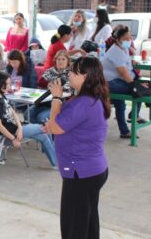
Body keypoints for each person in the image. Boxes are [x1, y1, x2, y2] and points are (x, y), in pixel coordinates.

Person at [44, 56, 109, 239]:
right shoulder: (89, 98)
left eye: (74, 72)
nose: (69, 74)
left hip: (81, 172)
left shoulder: (84, 103)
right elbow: (65, 126)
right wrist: (52, 124)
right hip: (90, 170)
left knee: (74, 227)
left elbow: (57, 127)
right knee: (87, 222)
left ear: (86, 76)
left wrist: (56, 97)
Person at [0, 72, 56, 166]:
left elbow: (13, 113)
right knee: (45, 128)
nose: (10, 86)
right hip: (12, 132)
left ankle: (56, 163)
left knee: (44, 137)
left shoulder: (1, 95)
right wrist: (13, 138)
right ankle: (58, 163)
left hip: (18, 128)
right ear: (1, 85)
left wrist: (20, 127)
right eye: (8, 84)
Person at [102, 26, 144, 138]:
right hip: (111, 83)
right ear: (118, 39)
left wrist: (131, 60)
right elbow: (124, 74)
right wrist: (135, 86)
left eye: (130, 38)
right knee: (139, 90)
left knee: (120, 103)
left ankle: (125, 131)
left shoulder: (122, 48)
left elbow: (123, 60)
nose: (129, 40)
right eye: (126, 38)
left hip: (117, 81)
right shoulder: (115, 51)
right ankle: (133, 116)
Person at [29, 50, 72, 124]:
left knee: (41, 117)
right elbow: (41, 82)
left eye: (63, 59)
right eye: (58, 59)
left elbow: (68, 88)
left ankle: (46, 133)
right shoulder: (51, 70)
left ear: (68, 61)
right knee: (28, 113)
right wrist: (49, 83)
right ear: (55, 61)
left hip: (61, 103)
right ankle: (39, 132)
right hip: (44, 101)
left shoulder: (71, 73)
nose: (60, 61)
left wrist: (52, 84)